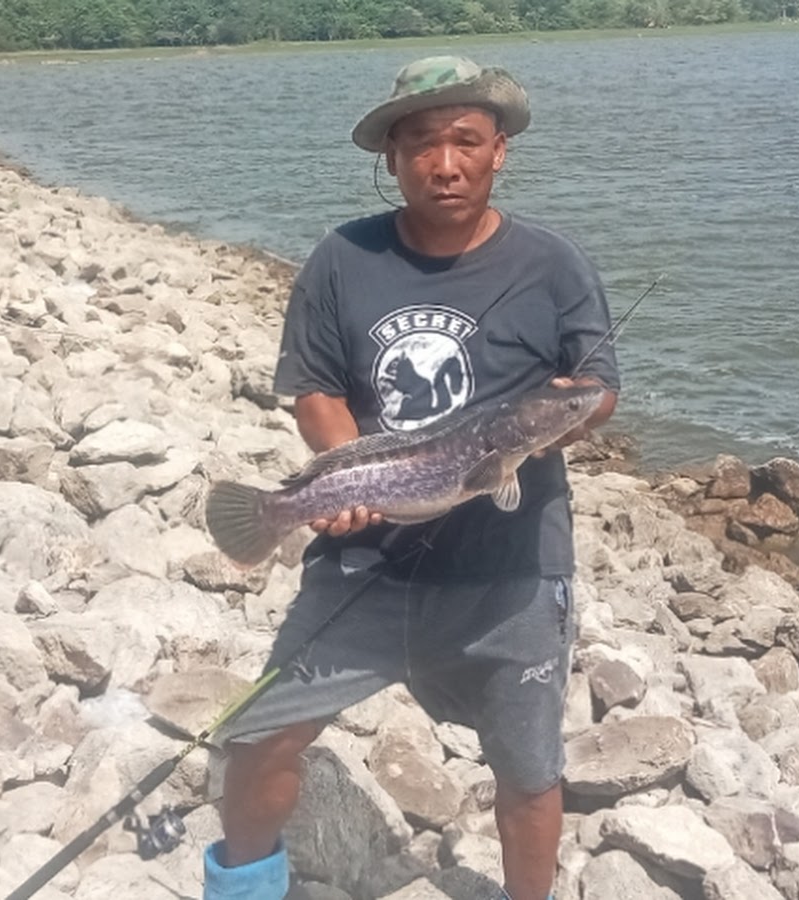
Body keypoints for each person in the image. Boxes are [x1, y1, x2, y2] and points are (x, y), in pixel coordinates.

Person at [203, 56, 620, 900]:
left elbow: (598, 387)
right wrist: (348, 484)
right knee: (255, 740)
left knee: (529, 772)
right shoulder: (342, 257)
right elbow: (316, 390)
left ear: (500, 150)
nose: (446, 163)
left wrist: (574, 410)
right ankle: (244, 888)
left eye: (467, 140)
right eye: (423, 143)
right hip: (364, 571)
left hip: (513, 578)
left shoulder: (554, 263)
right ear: (391, 158)